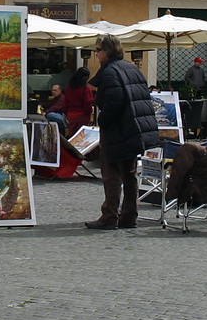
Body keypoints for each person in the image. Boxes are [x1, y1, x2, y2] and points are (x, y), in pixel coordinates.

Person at [85, 34, 159, 230]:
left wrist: (102, 120)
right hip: (134, 127)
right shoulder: (132, 68)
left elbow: (115, 101)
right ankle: (129, 215)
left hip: (118, 127)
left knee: (111, 172)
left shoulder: (110, 71)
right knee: (129, 172)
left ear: (107, 52)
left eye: (98, 50)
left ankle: (109, 215)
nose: (96, 54)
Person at [62, 67, 94, 135]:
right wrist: (90, 111)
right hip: (82, 115)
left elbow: (66, 101)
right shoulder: (86, 89)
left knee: (72, 134)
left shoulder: (69, 87)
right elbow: (88, 102)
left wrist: (65, 112)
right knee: (81, 136)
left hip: (71, 114)